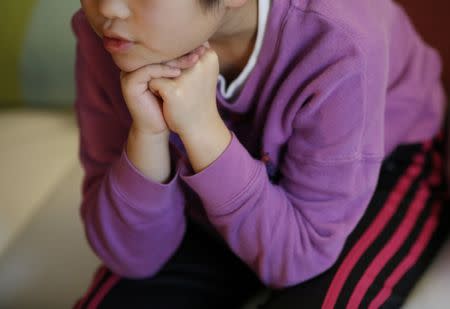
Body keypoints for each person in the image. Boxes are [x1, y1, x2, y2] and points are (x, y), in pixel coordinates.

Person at [71, 0, 449, 308]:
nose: (108, 8)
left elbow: (297, 256)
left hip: (378, 168)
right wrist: (148, 135)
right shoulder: (113, 39)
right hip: (214, 189)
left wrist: (203, 130)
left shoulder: (340, 42)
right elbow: (132, 257)